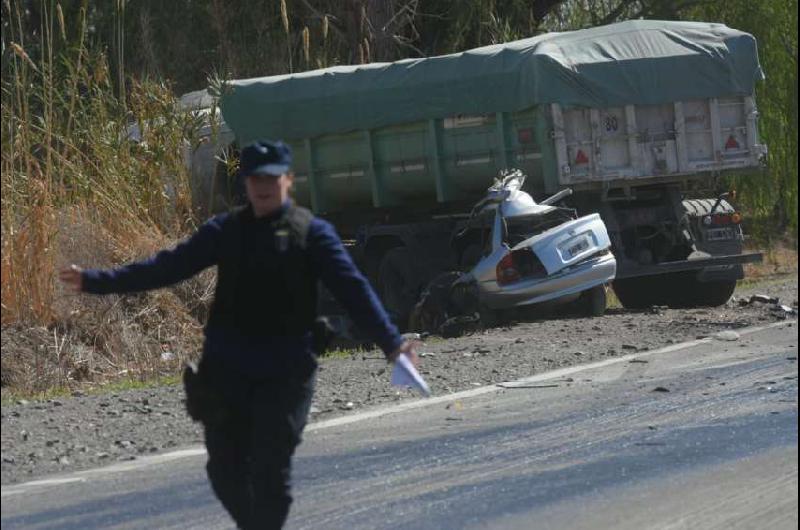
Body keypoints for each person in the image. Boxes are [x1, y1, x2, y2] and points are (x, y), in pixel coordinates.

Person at [59, 139, 418, 529]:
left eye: (272, 177)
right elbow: (165, 268)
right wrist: (94, 281)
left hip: (286, 374)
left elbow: (355, 291)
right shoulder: (225, 231)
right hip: (227, 373)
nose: (263, 186)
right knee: (225, 472)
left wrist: (392, 344)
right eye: (254, 178)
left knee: (269, 471)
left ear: (288, 180)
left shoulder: (311, 234)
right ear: (244, 184)